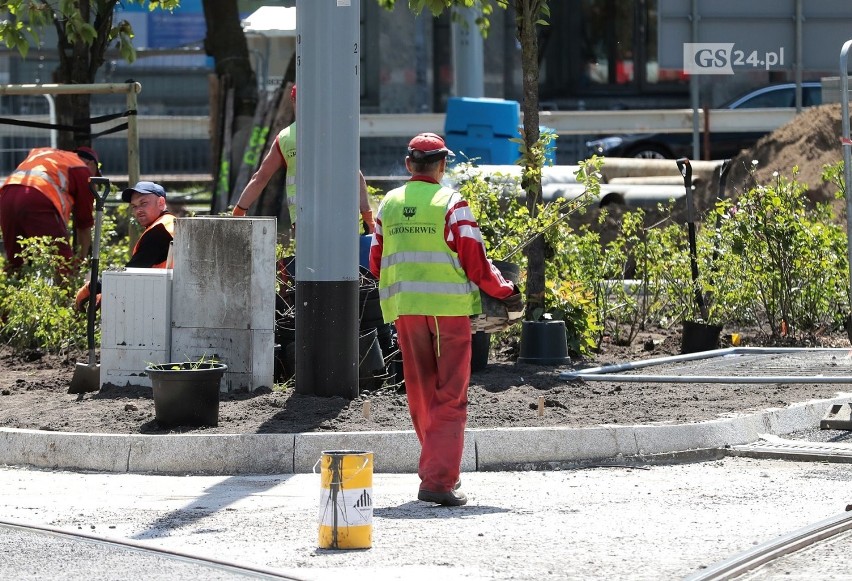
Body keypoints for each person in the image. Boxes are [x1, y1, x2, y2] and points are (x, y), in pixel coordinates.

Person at [369, 132, 523, 506]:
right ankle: (439, 481)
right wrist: (506, 291)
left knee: (421, 392)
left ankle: (433, 470)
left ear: (409, 165)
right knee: (450, 394)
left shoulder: (387, 205)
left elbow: (375, 262)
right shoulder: (452, 203)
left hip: (404, 310)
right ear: (442, 166)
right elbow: (475, 260)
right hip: (448, 312)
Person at [232, 84, 374, 233]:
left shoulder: (285, 138)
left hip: (303, 218)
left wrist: (239, 211)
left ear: (293, 101)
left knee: (307, 256)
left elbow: (260, 178)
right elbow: (354, 175)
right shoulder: (333, 132)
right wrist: (367, 216)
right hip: (338, 215)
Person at [75, 181, 175, 311]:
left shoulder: (160, 230)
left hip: (167, 304)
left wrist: (91, 288)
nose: (138, 210)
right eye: (134, 206)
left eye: (144, 203)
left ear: (161, 203)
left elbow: (130, 273)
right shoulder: (170, 223)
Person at [0, 146, 101, 273]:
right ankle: (68, 291)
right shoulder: (81, 169)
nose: (94, 178)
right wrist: (81, 260)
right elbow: (84, 224)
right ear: (91, 163)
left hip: (7, 195)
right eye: (95, 173)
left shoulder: (47, 154)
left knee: (15, 264)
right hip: (38, 198)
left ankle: (11, 289)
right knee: (63, 265)